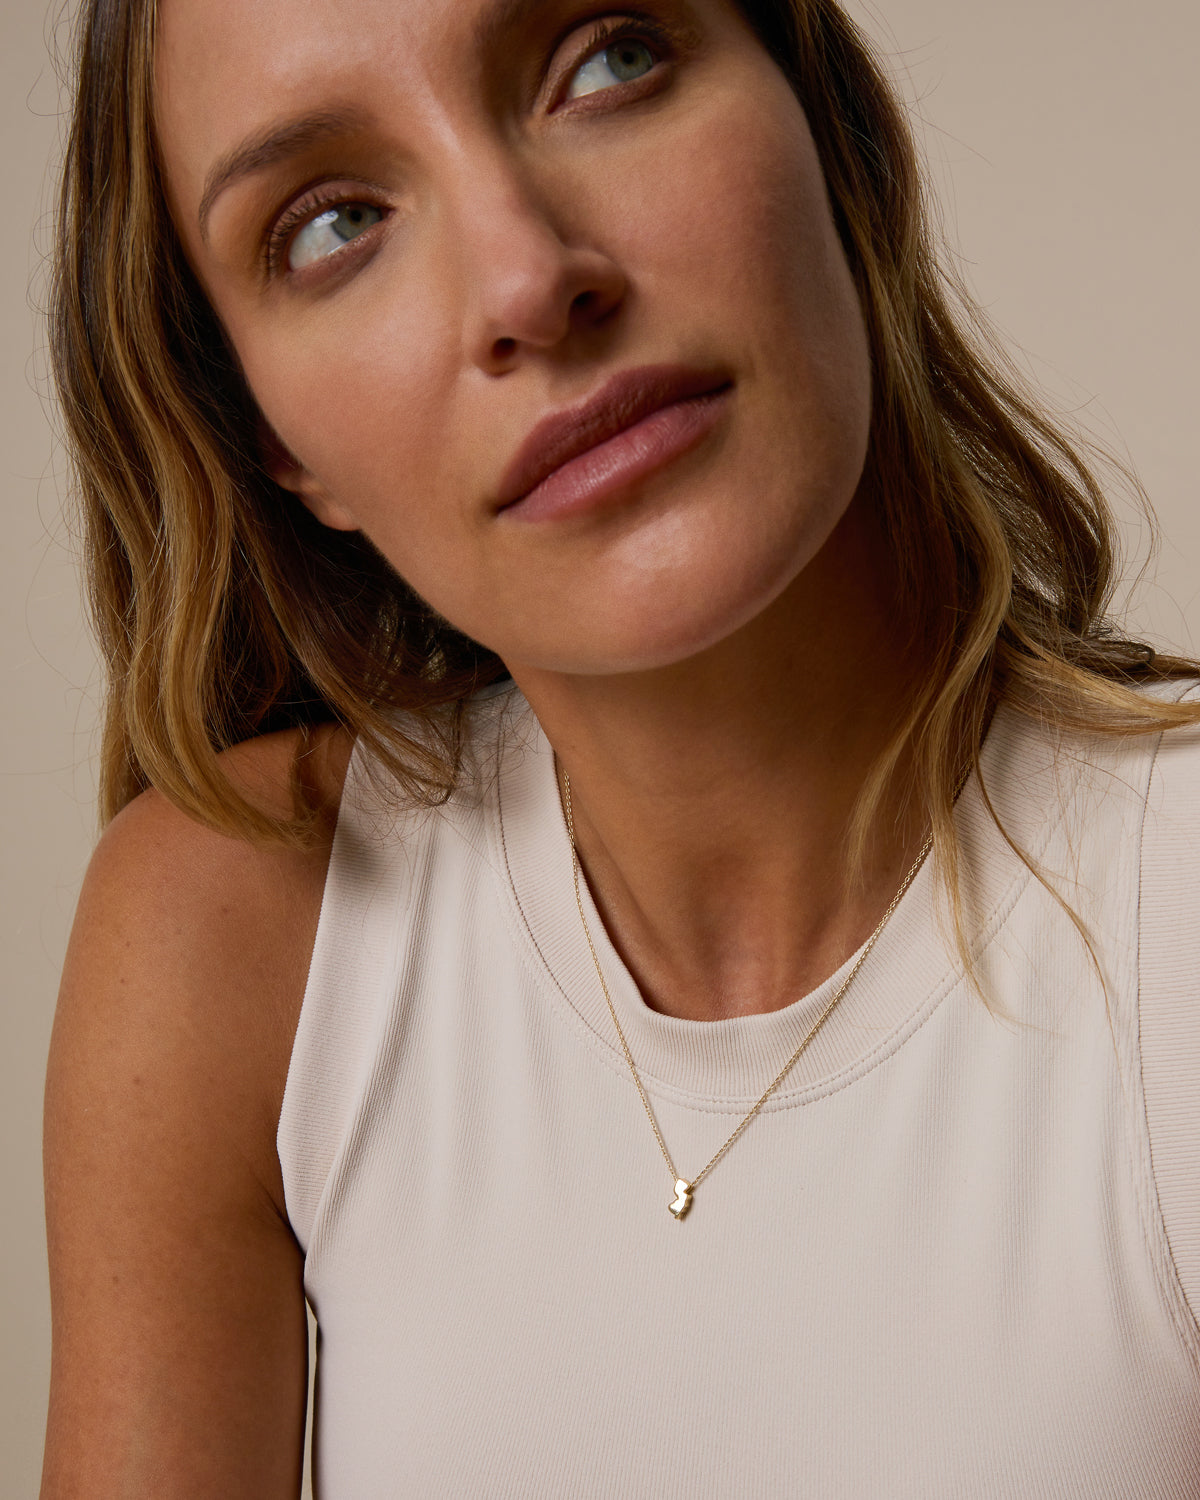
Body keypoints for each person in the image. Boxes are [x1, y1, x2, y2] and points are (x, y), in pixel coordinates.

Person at [39, 0, 1200, 1493]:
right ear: (275, 441)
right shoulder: (244, 936)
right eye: (334, 225)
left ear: (821, 115)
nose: (528, 281)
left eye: (607, 62)